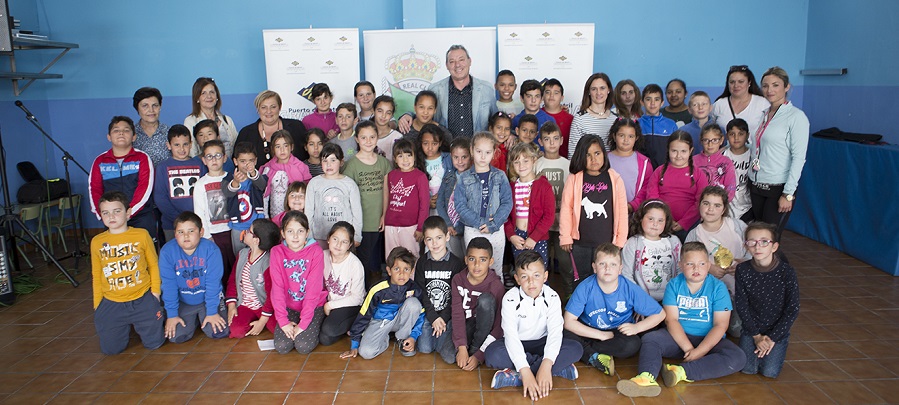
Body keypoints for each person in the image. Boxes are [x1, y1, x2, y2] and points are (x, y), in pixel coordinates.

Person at [616, 242, 746, 398]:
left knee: (738, 357)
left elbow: (721, 325)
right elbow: (671, 320)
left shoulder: (718, 287)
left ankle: (680, 372)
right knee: (650, 339)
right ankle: (646, 377)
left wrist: (700, 351)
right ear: (681, 265)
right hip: (678, 338)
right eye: (690, 264)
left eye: (702, 264)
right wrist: (688, 348)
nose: (696, 269)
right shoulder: (674, 285)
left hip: (710, 339)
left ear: (709, 265)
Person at [487, 251, 582, 397]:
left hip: (542, 343)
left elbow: (555, 333)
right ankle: (550, 372)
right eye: (524, 277)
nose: (531, 282)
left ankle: (517, 377)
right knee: (493, 354)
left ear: (545, 276)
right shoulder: (510, 298)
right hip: (519, 343)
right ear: (517, 279)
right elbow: (511, 336)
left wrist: (546, 363)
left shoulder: (552, 297)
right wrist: (526, 370)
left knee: (576, 348)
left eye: (536, 275)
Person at [563, 243, 665, 375]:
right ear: (594, 267)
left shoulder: (629, 288)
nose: (607, 269)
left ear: (620, 269)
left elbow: (660, 314)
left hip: (616, 331)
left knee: (632, 345)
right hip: (588, 329)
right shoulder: (585, 287)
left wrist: (636, 328)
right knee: (560, 330)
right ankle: (594, 356)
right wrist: (600, 335)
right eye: (602, 264)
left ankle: (589, 352)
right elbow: (569, 321)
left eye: (613, 264)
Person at [91, 191, 164, 355]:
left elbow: (153, 264)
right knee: (111, 350)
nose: (111, 216)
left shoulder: (141, 235)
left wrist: (155, 294)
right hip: (112, 301)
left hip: (142, 297)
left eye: (117, 211)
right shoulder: (97, 242)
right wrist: (98, 304)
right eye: (105, 213)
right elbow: (96, 275)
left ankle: (150, 317)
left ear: (128, 212)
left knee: (155, 343)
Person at [747, 67, 809, 239]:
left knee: (769, 239)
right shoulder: (765, 114)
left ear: (787, 87)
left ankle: (782, 267)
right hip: (757, 185)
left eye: (775, 85)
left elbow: (798, 158)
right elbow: (759, 146)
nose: (770, 90)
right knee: (759, 236)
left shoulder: (796, 117)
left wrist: (788, 194)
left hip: (778, 188)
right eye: (765, 86)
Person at [559, 134, 628, 289]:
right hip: (580, 242)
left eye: (597, 153)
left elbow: (622, 211)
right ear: (580, 157)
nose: (593, 159)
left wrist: (620, 240)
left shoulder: (614, 178)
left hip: (607, 242)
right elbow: (566, 208)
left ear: (604, 153)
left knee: (605, 278)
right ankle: (581, 310)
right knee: (581, 279)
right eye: (587, 155)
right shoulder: (575, 178)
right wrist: (565, 237)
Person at [735, 222, 800, 378]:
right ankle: (758, 346)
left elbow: (792, 309)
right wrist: (756, 336)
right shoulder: (742, 270)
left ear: (774, 247)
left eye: (764, 242)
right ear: (746, 246)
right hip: (752, 329)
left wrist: (772, 338)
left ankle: (774, 346)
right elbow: (742, 305)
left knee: (769, 372)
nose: (758, 247)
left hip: (776, 331)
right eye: (752, 242)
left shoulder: (787, 272)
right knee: (747, 369)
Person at [687, 186, 751, 336]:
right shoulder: (694, 234)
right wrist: (708, 268)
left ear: (723, 209)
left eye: (717, 205)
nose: (710, 209)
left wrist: (744, 265)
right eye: (706, 203)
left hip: (740, 290)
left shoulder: (738, 226)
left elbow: (754, 253)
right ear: (700, 205)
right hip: (712, 292)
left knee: (736, 331)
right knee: (710, 329)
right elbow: (687, 264)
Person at [341, 247, 425, 359]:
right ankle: (384, 336)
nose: (401, 274)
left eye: (406, 269)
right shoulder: (377, 290)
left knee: (414, 304)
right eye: (396, 269)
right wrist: (355, 343)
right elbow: (364, 314)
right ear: (389, 271)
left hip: (400, 322)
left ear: (412, 271)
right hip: (380, 322)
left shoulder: (414, 289)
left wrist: (413, 336)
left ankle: (403, 339)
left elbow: (420, 314)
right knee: (366, 353)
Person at [159, 212, 230, 343]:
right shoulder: (167, 252)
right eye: (180, 232)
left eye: (191, 231)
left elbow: (213, 283)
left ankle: (202, 316)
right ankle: (194, 319)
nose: (186, 236)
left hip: (207, 298)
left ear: (201, 232)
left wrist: (212, 312)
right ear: (175, 234)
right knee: (177, 337)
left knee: (220, 331)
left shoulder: (211, 250)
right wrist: (172, 315)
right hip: (184, 301)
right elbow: (169, 286)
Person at [399, 45, 498, 138]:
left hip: (478, 153)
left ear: (469, 61)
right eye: (452, 61)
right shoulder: (435, 89)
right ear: (446, 65)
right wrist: (408, 115)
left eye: (461, 60)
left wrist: (510, 134)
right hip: (446, 152)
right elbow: (424, 114)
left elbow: (497, 120)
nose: (457, 65)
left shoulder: (486, 89)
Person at [454, 132, 513, 283]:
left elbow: (507, 202)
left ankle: (496, 303)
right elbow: (460, 205)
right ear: (472, 150)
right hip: (473, 229)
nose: (482, 156)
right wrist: (480, 222)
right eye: (479, 151)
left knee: (496, 269)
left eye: (487, 152)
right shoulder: (464, 178)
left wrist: (493, 223)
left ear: (494, 153)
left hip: (496, 230)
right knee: (475, 269)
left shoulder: (500, 176)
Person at [631, 131, 709, 241]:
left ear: (691, 151)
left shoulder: (698, 174)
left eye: (683, 151)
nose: (678, 156)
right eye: (674, 151)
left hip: (690, 226)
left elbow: (701, 201)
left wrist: (684, 223)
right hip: (661, 225)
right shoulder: (659, 171)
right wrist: (666, 219)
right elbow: (653, 198)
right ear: (668, 150)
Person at [89, 116, 156, 239]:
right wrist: (103, 214)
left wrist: (129, 212)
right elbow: (95, 189)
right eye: (116, 130)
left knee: (146, 254)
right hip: (112, 218)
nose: (121, 133)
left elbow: (145, 188)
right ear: (109, 137)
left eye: (126, 130)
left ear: (134, 136)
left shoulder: (142, 158)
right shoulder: (100, 161)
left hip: (141, 216)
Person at [270, 211, 326, 354]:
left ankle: (316, 325)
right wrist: (283, 321)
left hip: (313, 306)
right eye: (290, 231)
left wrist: (303, 324)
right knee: (282, 346)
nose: (295, 236)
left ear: (307, 233)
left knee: (303, 345)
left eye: (300, 231)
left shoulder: (316, 252)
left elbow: (313, 290)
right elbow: (277, 288)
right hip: (289, 306)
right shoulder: (276, 252)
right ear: (282, 233)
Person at [343, 120, 392, 279]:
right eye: (363, 138)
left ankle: (375, 294)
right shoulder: (351, 165)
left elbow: (386, 191)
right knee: (363, 261)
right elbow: (347, 197)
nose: (368, 141)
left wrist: (384, 215)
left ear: (377, 138)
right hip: (360, 221)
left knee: (376, 263)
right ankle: (362, 295)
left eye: (372, 137)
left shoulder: (384, 163)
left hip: (378, 221)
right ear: (356, 139)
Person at [415, 216, 465, 364]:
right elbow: (421, 292)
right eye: (429, 239)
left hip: (446, 316)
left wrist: (442, 317)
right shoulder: (422, 262)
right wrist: (433, 317)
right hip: (429, 314)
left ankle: (444, 333)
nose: (435, 243)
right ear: (424, 241)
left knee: (445, 354)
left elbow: (456, 297)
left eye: (438, 238)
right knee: (425, 348)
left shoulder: (456, 263)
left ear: (447, 236)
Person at [451, 237, 506, 371]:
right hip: (467, 327)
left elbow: (499, 325)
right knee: (448, 356)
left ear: (490, 261)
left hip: (485, 330)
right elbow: (457, 315)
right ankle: (468, 349)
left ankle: (476, 349)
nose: (477, 265)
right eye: (472, 259)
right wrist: (461, 347)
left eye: (482, 260)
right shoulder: (458, 279)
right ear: (466, 260)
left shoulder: (496, 286)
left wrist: (479, 355)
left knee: (486, 300)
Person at [535, 122, 574, 296]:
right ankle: (543, 298)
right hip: (541, 225)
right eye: (547, 139)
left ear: (562, 140)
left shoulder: (568, 166)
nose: (551, 143)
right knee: (542, 264)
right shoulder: (537, 164)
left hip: (561, 226)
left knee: (565, 265)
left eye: (555, 139)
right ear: (540, 142)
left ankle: (568, 299)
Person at [225, 218, 280, 338]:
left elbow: (272, 294)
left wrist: (262, 321)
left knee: (279, 330)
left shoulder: (268, 262)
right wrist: (232, 305)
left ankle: (261, 323)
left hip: (266, 307)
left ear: (256, 240)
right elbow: (233, 281)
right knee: (236, 331)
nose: (245, 231)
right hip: (245, 305)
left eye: (249, 231)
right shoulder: (242, 254)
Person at [505, 142, 555, 265]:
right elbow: (505, 216)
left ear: (534, 160)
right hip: (518, 238)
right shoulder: (510, 187)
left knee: (538, 271)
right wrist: (511, 235)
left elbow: (549, 216)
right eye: (517, 162)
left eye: (525, 161)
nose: (521, 165)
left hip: (538, 237)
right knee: (521, 270)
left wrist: (534, 237)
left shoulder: (544, 186)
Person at [154, 125, 205, 242]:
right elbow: (160, 197)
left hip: (197, 222)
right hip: (172, 224)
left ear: (191, 144)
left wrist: (195, 219)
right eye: (177, 145)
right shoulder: (163, 167)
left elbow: (205, 192)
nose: (182, 149)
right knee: (175, 255)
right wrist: (179, 220)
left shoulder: (199, 164)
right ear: (168, 145)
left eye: (185, 144)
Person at [622, 200, 682, 301]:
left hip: (671, 298)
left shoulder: (674, 241)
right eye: (650, 219)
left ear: (666, 222)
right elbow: (626, 274)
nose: (655, 224)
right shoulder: (633, 243)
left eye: (660, 220)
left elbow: (681, 269)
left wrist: (675, 296)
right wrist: (639, 299)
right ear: (641, 219)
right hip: (640, 298)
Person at [305, 143, 363, 246]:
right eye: (325, 161)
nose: (328, 165)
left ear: (341, 162)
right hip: (319, 236)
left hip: (343, 238)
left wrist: (357, 235)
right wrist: (309, 235)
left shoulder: (350, 184)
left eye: (333, 160)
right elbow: (308, 211)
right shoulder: (314, 183)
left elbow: (357, 212)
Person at [319, 222, 366, 346]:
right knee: (323, 337)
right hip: (328, 304)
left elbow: (357, 298)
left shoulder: (355, 264)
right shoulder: (321, 256)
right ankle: (344, 327)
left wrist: (330, 305)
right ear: (328, 239)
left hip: (350, 305)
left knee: (328, 331)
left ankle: (358, 323)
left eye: (344, 242)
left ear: (350, 245)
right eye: (335, 239)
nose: (338, 245)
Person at [193, 140, 236, 276]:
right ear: (204, 160)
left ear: (224, 158)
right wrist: (206, 235)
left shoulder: (232, 179)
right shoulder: (201, 184)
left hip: (233, 231)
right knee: (219, 269)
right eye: (209, 156)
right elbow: (199, 212)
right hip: (214, 233)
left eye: (217, 155)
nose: (214, 160)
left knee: (235, 267)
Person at [235, 90, 309, 169]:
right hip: (255, 181)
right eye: (263, 107)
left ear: (280, 107)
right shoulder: (246, 133)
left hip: (295, 180)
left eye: (273, 107)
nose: (269, 111)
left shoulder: (296, 127)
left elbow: (307, 156)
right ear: (258, 109)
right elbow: (237, 163)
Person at [383, 138, 430, 260]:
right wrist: (384, 218)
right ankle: (393, 279)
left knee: (411, 257)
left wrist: (420, 228)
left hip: (410, 226)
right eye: (400, 156)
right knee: (391, 257)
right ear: (394, 158)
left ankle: (412, 279)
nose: (405, 160)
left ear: (414, 157)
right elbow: (387, 199)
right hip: (391, 225)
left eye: (409, 155)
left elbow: (424, 204)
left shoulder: (420, 176)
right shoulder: (391, 175)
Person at [222, 142, 267, 259]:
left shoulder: (257, 177)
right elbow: (227, 192)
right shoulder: (228, 179)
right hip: (238, 227)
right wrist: (236, 181)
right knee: (239, 258)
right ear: (235, 161)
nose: (247, 164)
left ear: (256, 161)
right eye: (242, 161)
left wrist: (253, 173)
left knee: (259, 255)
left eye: (250, 161)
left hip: (257, 227)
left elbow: (262, 185)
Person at [259, 130, 312, 218]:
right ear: (273, 149)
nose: (282, 150)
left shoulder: (301, 167)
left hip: (296, 216)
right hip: (275, 216)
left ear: (291, 147)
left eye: (285, 145)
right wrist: (265, 216)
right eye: (278, 146)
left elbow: (308, 193)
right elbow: (265, 195)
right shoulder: (268, 168)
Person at [185, 77, 238, 158]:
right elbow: (192, 152)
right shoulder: (191, 121)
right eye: (203, 93)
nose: (209, 96)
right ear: (197, 98)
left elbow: (236, 147)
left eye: (212, 92)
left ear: (217, 97)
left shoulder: (227, 120)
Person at [436, 137, 472, 259]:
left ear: (471, 156)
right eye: (456, 157)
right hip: (450, 227)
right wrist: (448, 224)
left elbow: (472, 206)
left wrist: (460, 227)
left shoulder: (474, 178)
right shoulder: (449, 177)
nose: (460, 161)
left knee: (469, 257)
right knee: (456, 258)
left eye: (464, 157)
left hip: (467, 227)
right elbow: (440, 202)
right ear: (451, 156)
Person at [711, 65, 769, 137]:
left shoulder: (762, 103)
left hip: (753, 148)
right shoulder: (719, 104)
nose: (736, 85)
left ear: (749, 83)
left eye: (741, 82)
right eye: (732, 82)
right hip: (725, 148)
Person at [569, 73, 617, 157]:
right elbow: (573, 154)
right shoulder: (580, 118)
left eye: (602, 88)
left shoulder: (615, 119)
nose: (598, 92)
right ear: (589, 92)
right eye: (594, 89)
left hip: (611, 169)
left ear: (608, 90)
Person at [606, 118, 651, 205]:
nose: (626, 140)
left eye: (630, 136)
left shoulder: (644, 163)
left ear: (636, 138)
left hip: (633, 213)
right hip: (608, 210)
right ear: (614, 136)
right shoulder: (604, 159)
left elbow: (646, 188)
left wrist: (632, 205)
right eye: (621, 135)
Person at [638, 84, 679, 168]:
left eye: (656, 99)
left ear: (662, 103)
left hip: (665, 170)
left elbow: (676, 149)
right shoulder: (636, 125)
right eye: (648, 99)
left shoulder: (671, 125)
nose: (652, 103)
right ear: (642, 102)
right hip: (642, 170)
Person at [418, 124, 454, 216]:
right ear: (420, 143)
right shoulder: (417, 162)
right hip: (428, 211)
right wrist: (427, 201)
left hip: (448, 207)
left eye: (434, 143)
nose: (430, 148)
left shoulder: (449, 158)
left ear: (440, 143)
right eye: (425, 143)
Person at [695, 124, 737, 201]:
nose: (710, 144)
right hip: (695, 206)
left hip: (718, 206)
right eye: (706, 140)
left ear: (721, 140)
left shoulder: (726, 162)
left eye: (714, 140)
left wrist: (720, 204)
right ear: (701, 141)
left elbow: (730, 188)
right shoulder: (693, 161)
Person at [131, 87, 170, 165]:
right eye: (145, 106)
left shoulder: (169, 132)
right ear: (137, 108)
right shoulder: (130, 134)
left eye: (155, 105)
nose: (151, 110)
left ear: (160, 106)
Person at [724, 119, 752, 219]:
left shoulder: (753, 155)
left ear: (747, 135)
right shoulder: (723, 155)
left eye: (741, 134)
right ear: (727, 136)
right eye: (732, 134)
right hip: (728, 205)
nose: (736, 138)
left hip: (748, 205)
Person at [541, 78, 574, 158]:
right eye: (548, 92)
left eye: (556, 93)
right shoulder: (536, 116)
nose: (551, 96)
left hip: (564, 165)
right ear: (542, 96)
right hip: (539, 165)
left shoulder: (571, 120)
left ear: (562, 97)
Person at [373, 95, 404, 164]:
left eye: (388, 113)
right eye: (380, 111)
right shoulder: (366, 135)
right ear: (373, 110)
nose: (383, 116)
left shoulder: (397, 137)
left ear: (392, 115)